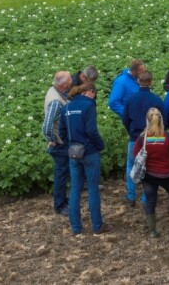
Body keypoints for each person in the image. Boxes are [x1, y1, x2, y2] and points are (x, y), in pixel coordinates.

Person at [60, 81, 112, 235]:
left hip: (73, 153)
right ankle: (97, 225)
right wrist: (100, 146)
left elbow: (62, 132)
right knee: (92, 188)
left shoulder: (66, 107)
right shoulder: (89, 105)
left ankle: (76, 227)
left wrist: (70, 145)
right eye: (94, 95)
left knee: (75, 189)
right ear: (90, 92)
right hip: (89, 152)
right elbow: (91, 130)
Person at [133, 108, 169, 237]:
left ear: (147, 121)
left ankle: (152, 231)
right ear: (161, 120)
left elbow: (136, 155)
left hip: (149, 175)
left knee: (151, 201)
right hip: (168, 174)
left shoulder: (142, 138)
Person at [122, 71, 163, 207]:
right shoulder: (156, 100)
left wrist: (131, 132)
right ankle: (146, 198)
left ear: (138, 81)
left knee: (131, 165)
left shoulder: (130, 99)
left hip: (135, 138)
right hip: (152, 138)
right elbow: (164, 120)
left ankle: (131, 196)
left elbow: (125, 119)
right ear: (151, 82)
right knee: (150, 166)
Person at [42, 70, 73, 216]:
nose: (71, 83)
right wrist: (52, 140)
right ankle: (60, 205)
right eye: (69, 82)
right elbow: (47, 125)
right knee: (61, 174)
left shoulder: (55, 90)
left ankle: (63, 201)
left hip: (61, 141)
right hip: (60, 144)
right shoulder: (55, 101)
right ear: (64, 84)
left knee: (63, 173)